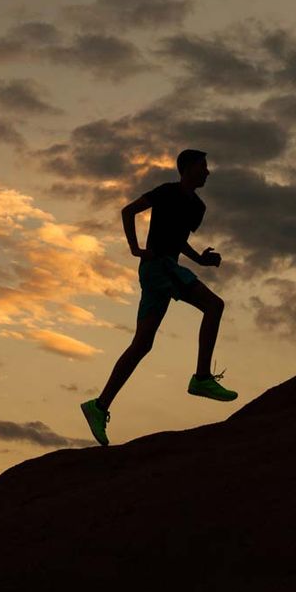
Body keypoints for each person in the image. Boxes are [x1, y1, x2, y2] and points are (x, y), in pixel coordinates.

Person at [81, 148, 237, 446]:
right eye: (203, 165)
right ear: (188, 168)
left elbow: (179, 240)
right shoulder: (166, 192)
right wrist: (136, 249)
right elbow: (128, 211)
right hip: (159, 267)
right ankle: (201, 377)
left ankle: (98, 406)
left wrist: (200, 260)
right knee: (214, 306)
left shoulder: (197, 208)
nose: (208, 171)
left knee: (142, 344)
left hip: (164, 269)